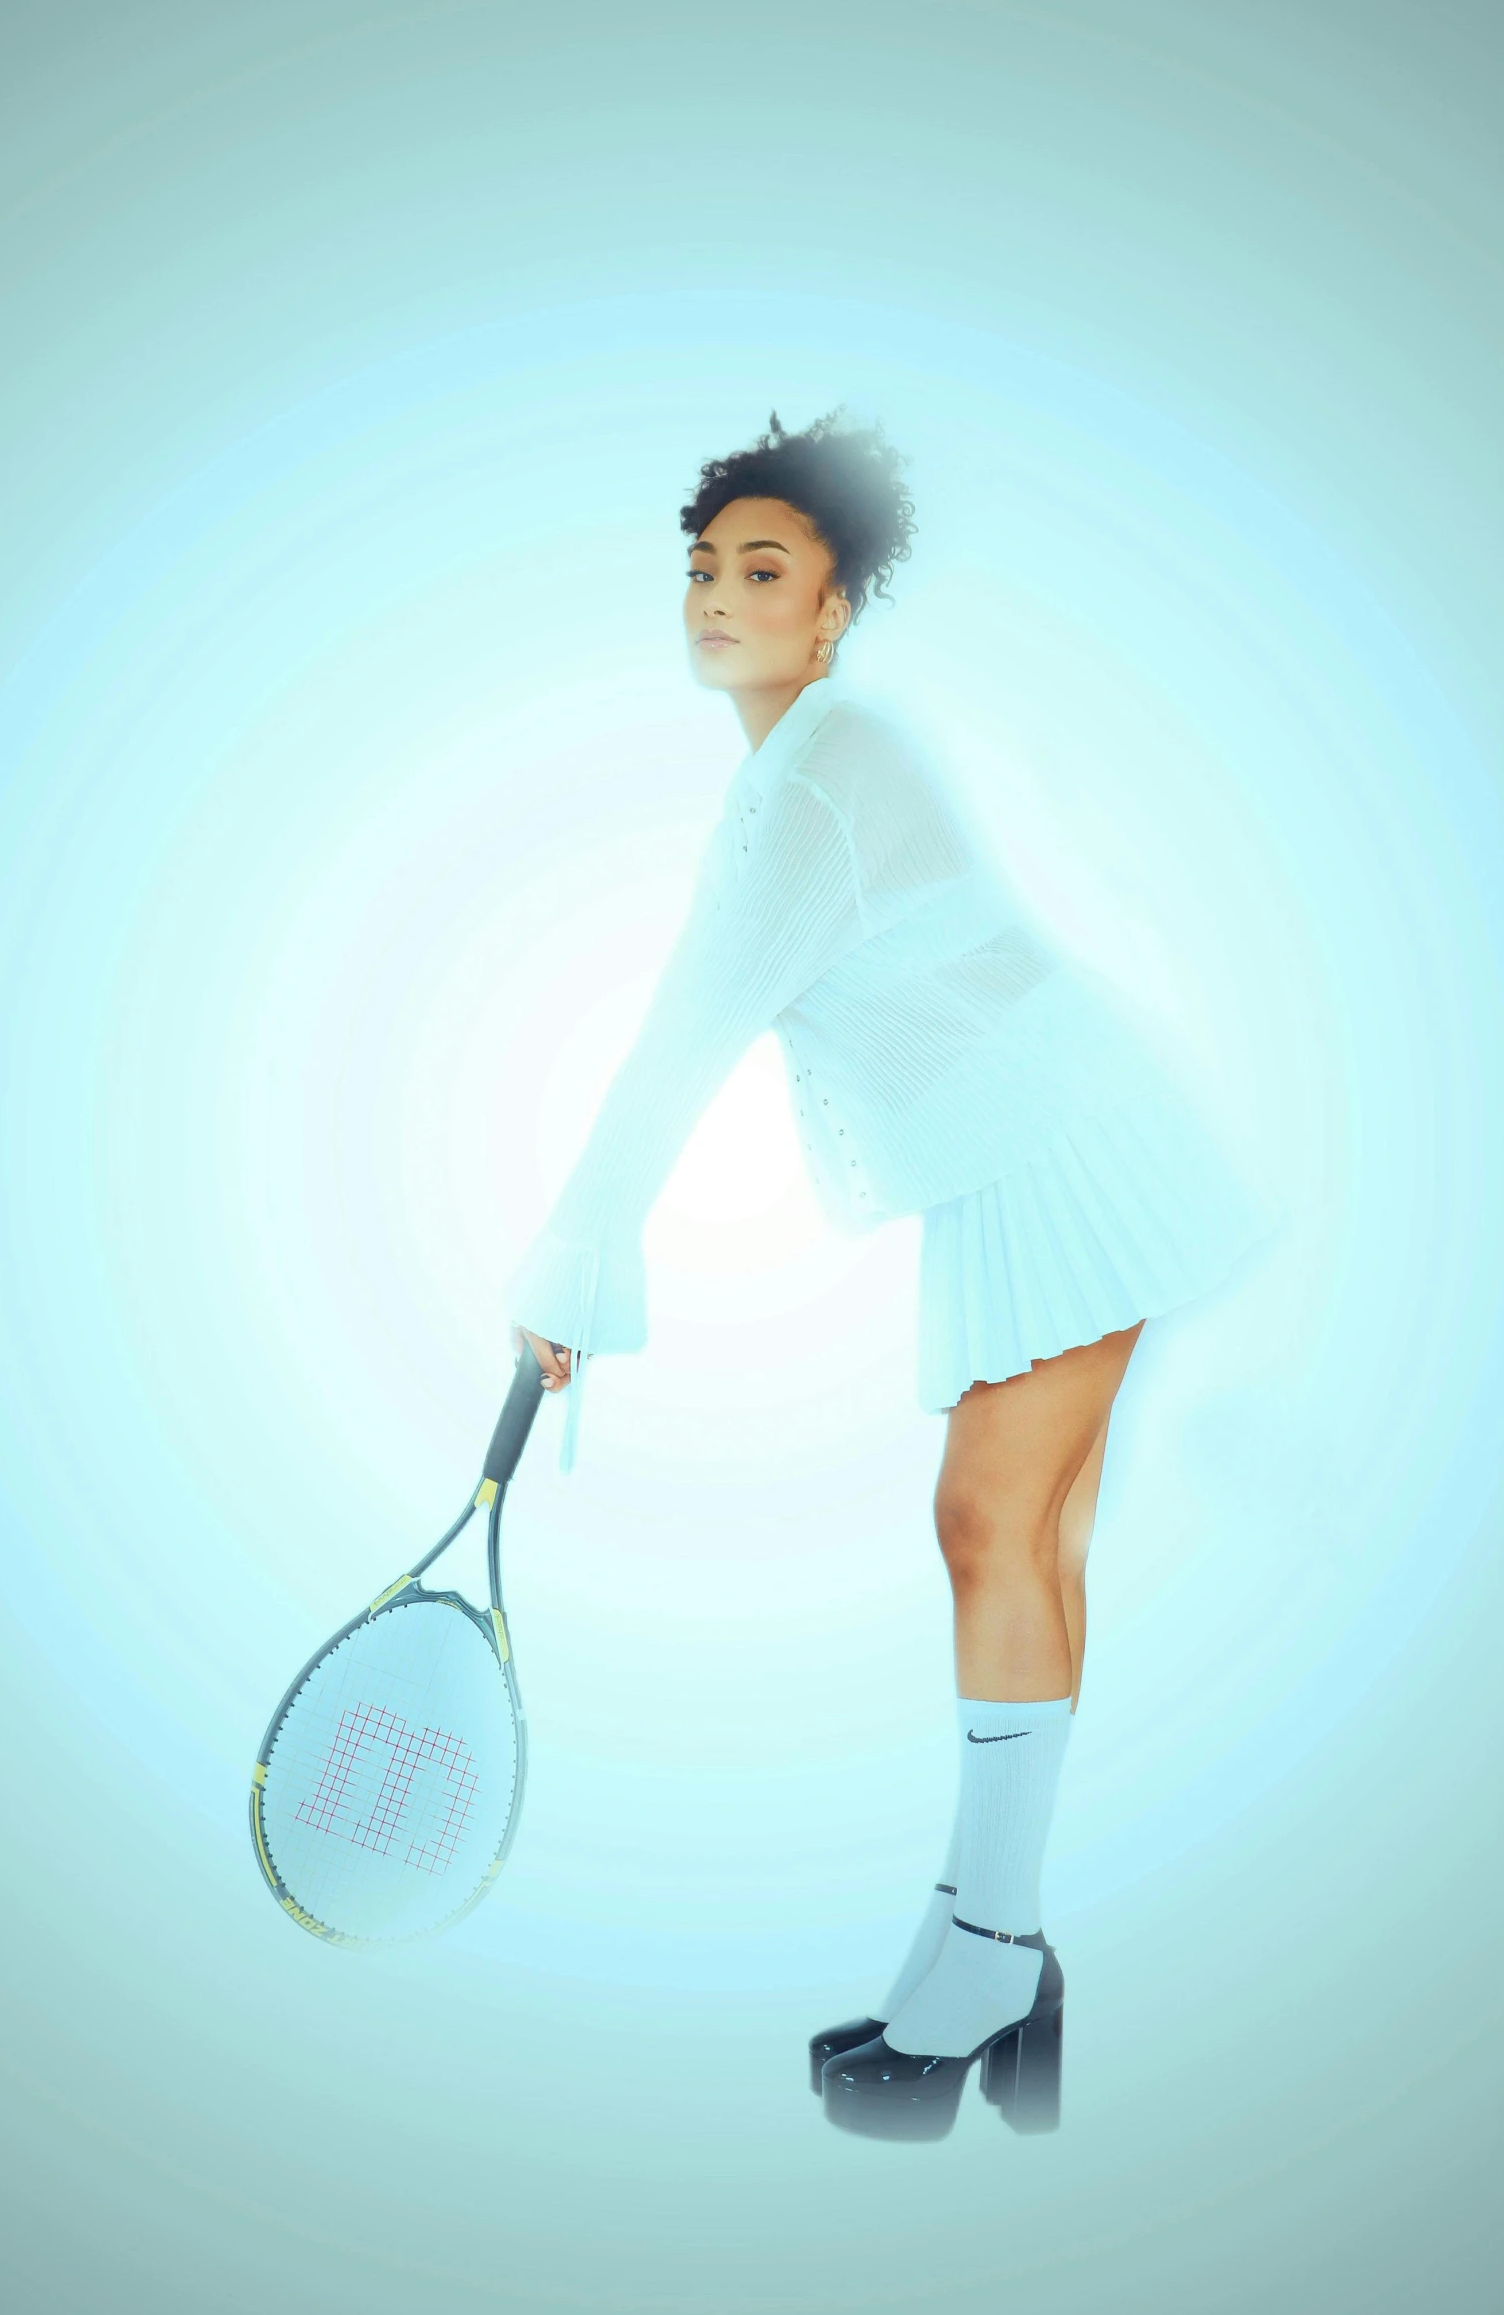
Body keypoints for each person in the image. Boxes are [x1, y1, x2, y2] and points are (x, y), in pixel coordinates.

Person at [504, 409, 1274, 2115]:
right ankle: (985, 1951)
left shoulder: (824, 775)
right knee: (1024, 1528)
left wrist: (566, 1273)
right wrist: (584, 1264)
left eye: (760, 571)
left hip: (1060, 1153)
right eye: (701, 569)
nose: (716, 597)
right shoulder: (796, 764)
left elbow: (680, 1033)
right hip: (1028, 1158)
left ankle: (983, 1964)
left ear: (835, 605)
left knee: (994, 1522)